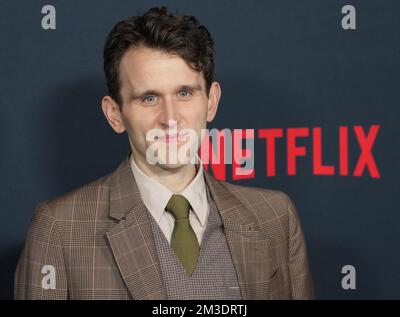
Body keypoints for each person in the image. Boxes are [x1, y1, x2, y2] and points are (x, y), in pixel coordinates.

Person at [14, 6, 314, 300]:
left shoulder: (275, 217)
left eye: (185, 93)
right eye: (149, 98)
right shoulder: (60, 228)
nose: (170, 118)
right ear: (115, 114)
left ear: (211, 102)